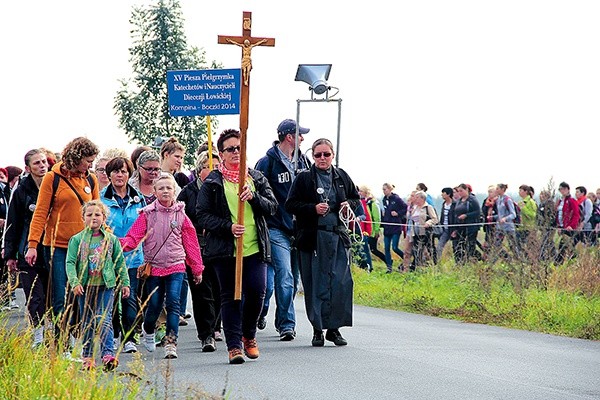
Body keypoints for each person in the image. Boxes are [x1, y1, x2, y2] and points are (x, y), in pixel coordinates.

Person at [197, 129, 277, 364]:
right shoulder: (213, 181)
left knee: (257, 292)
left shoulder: (256, 178)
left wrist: (254, 197)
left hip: (254, 247)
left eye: (239, 148)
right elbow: (202, 215)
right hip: (225, 249)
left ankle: (248, 335)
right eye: (230, 149)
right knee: (231, 297)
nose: (235, 153)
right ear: (221, 153)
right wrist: (228, 227)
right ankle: (234, 346)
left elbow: (272, 206)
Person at [285, 138, 360, 348]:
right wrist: (312, 208)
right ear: (313, 156)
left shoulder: (342, 176)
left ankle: (334, 329)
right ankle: (317, 329)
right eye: (318, 155)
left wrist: (348, 205)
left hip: (336, 236)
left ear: (332, 155)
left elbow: (356, 198)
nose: (322, 158)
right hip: (313, 238)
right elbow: (290, 204)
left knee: (340, 282)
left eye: (326, 154)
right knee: (315, 282)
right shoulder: (304, 178)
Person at [25, 137, 100, 346]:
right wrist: (33, 245)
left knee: (83, 297)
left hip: (85, 246)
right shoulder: (52, 178)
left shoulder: (91, 179)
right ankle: (62, 342)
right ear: (76, 158)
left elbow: (97, 212)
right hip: (58, 247)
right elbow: (40, 213)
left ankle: (78, 340)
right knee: (61, 296)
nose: (91, 165)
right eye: (88, 161)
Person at [120, 174, 204, 359]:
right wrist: (117, 243)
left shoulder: (181, 215)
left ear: (175, 191)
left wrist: (197, 268)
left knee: (174, 302)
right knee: (155, 305)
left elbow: (191, 243)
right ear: (155, 191)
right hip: (155, 267)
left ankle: (171, 342)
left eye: (169, 188)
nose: (165, 191)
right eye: (161, 188)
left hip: (176, 265)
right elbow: (134, 237)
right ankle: (148, 328)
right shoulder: (147, 214)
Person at [254, 118, 311, 340]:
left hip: (299, 229)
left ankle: (265, 312)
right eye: (300, 134)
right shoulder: (266, 163)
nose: (303, 138)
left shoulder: (304, 163)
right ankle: (286, 324)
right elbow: (257, 192)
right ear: (289, 136)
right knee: (284, 276)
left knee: (292, 280)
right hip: (276, 226)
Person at [65, 200, 130, 370]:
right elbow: (70, 262)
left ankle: (108, 354)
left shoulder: (111, 239)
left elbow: (120, 262)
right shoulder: (77, 239)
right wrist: (75, 282)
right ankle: (87, 356)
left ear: (104, 218)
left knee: (104, 319)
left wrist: (125, 282)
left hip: (105, 285)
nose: (93, 217)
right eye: (89, 214)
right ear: (83, 217)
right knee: (87, 320)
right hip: (85, 287)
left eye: (97, 214)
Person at [177, 149, 223, 352]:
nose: (211, 171)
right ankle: (206, 334)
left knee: (220, 289)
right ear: (199, 169)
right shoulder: (188, 192)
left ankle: (216, 325)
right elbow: (179, 218)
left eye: (215, 167)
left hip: (221, 245)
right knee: (201, 290)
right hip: (196, 246)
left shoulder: (223, 188)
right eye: (207, 167)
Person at [3, 149, 49, 346]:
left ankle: (58, 334)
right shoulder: (22, 190)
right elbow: (13, 223)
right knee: (34, 296)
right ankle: (38, 334)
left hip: (52, 248)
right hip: (26, 249)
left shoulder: (54, 186)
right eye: (37, 163)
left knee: (52, 295)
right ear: (28, 168)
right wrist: (10, 254)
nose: (42, 166)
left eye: (44, 162)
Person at [100, 157, 146, 354]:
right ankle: (113, 333)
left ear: (130, 174)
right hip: (108, 256)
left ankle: (129, 338)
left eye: (124, 171)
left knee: (130, 297)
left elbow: (144, 226)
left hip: (133, 256)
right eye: (116, 171)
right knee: (111, 296)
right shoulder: (101, 198)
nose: (120, 175)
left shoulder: (139, 199)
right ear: (109, 174)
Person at [407, 191, 439, 269]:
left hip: (425, 232)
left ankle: (435, 265)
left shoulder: (428, 207)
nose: (415, 199)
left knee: (430, 249)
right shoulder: (414, 208)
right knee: (416, 250)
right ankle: (417, 266)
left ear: (422, 198)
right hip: (415, 232)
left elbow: (435, 219)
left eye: (417, 197)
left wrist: (428, 223)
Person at [452, 183, 481, 264]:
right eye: (458, 191)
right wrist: (455, 229)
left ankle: (474, 260)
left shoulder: (472, 200)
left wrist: (466, 215)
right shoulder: (459, 201)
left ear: (467, 190)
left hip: (471, 227)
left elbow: (477, 212)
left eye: (461, 191)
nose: (460, 193)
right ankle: (461, 263)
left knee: (470, 245)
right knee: (460, 245)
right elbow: (456, 214)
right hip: (460, 227)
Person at [381, 183, 407, 273]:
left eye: (385, 189)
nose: (384, 191)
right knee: (386, 248)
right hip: (387, 226)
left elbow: (405, 208)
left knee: (395, 247)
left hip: (395, 226)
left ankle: (407, 260)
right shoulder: (384, 200)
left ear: (390, 189)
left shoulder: (396, 199)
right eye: (383, 189)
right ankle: (389, 268)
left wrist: (398, 213)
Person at [360, 185, 386, 265]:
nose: (359, 193)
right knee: (369, 249)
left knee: (372, 249)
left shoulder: (373, 204)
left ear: (365, 192)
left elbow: (377, 219)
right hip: (366, 230)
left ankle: (387, 261)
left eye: (361, 191)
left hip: (372, 231)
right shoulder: (365, 203)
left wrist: (376, 231)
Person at [555, 182, 579, 264]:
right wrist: (558, 226)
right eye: (561, 189)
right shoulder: (560, 201)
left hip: (569, 228)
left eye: (564, 189)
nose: (563, 191)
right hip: (562, 226)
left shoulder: (572, 200)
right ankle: (572, 261)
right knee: (566, 246)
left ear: (568, 190)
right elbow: (558, 214)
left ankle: (558, 264)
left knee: (564, 246)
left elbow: (576, 214)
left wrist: (571, 226)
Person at [536, 189, 557, 260]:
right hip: (543, 227)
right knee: (547, 241)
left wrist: (547, 224)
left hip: (550, 227)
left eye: (542, 195)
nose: (540, 196)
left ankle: (544, 257)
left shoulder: (550, 204)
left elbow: (551, 216)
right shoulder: (541, 204)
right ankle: (553, 256)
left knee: (546, 241)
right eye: (540, 195)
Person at [436, 187, 455, 261]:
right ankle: (437, 262)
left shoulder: (455, 204)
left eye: (443, 193)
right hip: (444, 229)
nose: (442, 195)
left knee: (457, 247)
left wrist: (455, 230)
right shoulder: (444, 204)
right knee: (439, 247)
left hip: (452, 229)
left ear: (448, 194)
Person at [517, 184, 538, 250]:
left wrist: (523, 209)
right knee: (518, 244)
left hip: (529, 228)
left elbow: (533, 215)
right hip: (521, 227)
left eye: (520, 190)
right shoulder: (520, 202)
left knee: (530, 246)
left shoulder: (531, 202)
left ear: (525, 192)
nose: (519, 192)